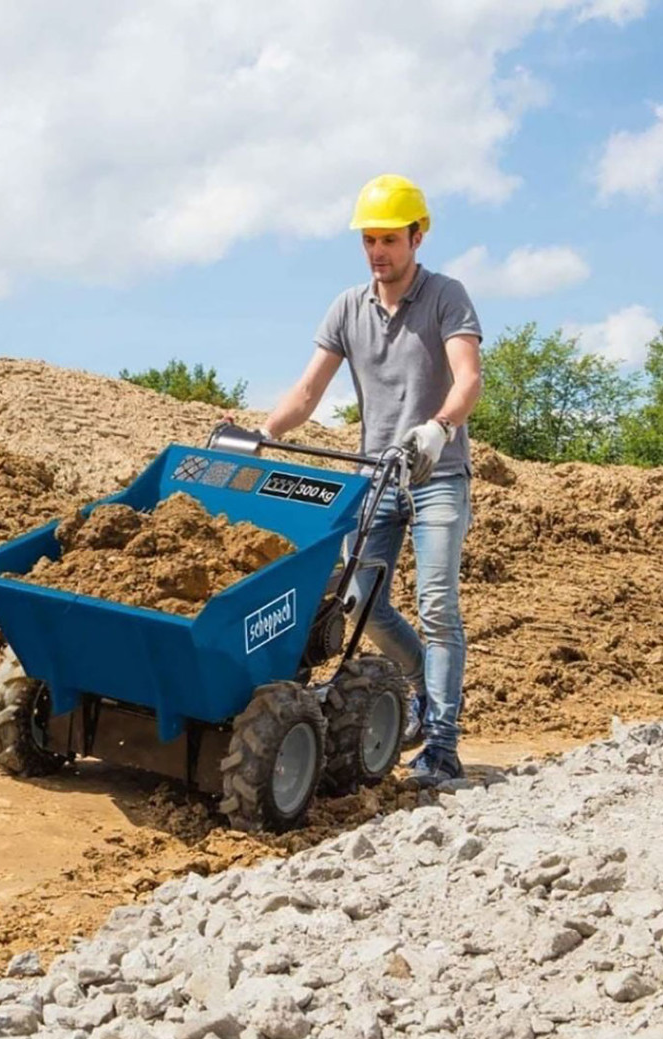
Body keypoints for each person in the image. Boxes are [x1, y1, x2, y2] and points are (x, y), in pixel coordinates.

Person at [258, 174, 482, 788]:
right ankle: (416, 684)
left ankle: (440, 745)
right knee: (359, 601)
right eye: (369, 240)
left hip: (436, 472)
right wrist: (263, 432)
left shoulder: (446, 296)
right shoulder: (347, 307)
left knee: (437, 605)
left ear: (417, 236)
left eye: (389, 239)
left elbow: (468, 379)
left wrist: (439, 428)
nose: (378, 251)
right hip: (378, 475)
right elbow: (308, 392)